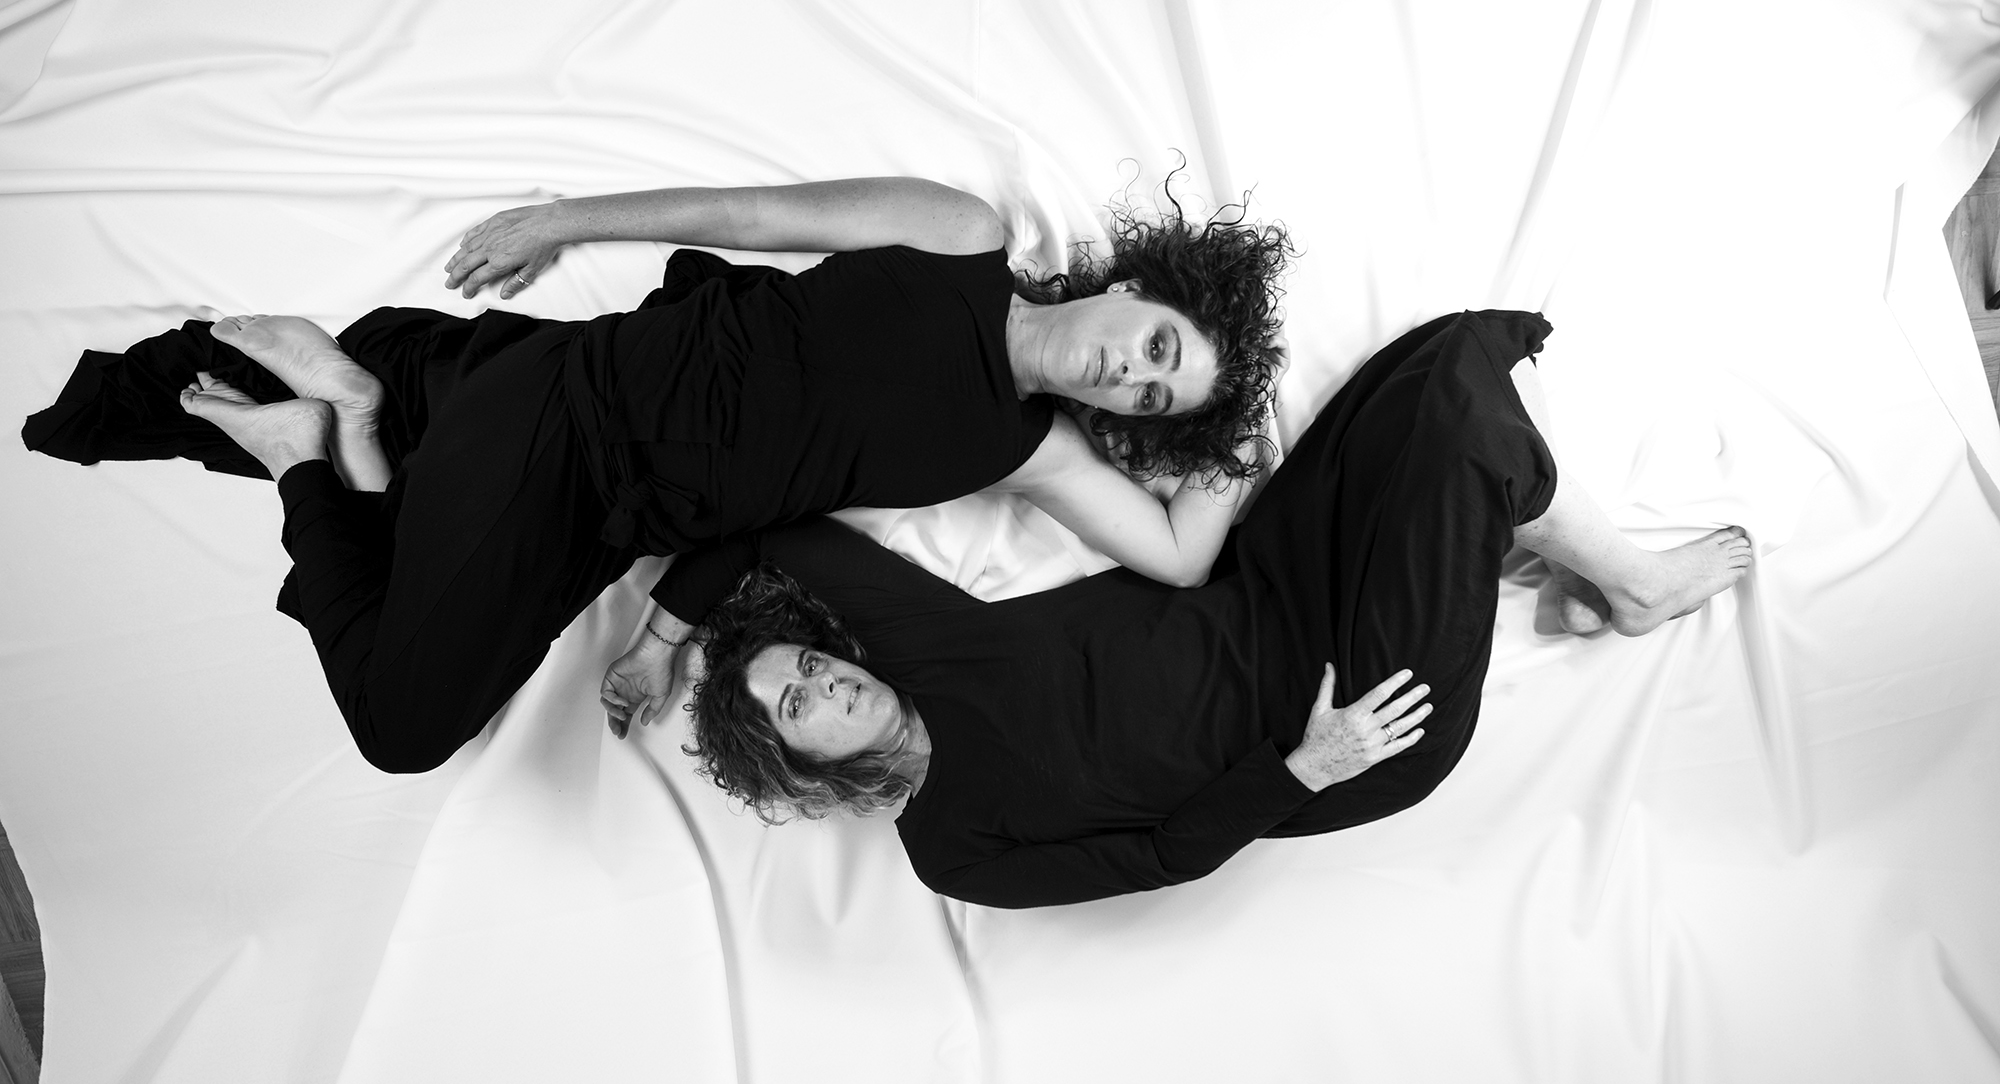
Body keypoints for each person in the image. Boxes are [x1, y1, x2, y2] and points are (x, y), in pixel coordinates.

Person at [21, 177, 1288, 774]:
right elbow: (753, 218)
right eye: (1157, 346)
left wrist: (1243, 418)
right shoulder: (962, 235)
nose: (1130, 375)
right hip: (567, 418)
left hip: (599, 507)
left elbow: (1180, 556)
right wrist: (561, 220)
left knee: (412, 587)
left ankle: (355, 431)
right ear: (1133, 286)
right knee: (401, 728)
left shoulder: (1028, 452)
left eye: (1152, 398)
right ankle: (323, 441)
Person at [646, 311, 1752, 909]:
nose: (825, 681)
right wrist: (1307, 767)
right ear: (801, 766)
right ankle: (1634, 586)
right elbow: (1162, 858)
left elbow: (766, 534)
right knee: (1464, 443)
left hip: (1277, 586)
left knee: (1433, 366)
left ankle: (1547, 560)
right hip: (1344, 721)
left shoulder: (915, 647)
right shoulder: (952, 851)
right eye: (798, 704)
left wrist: (661, 636)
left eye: (805, 663)